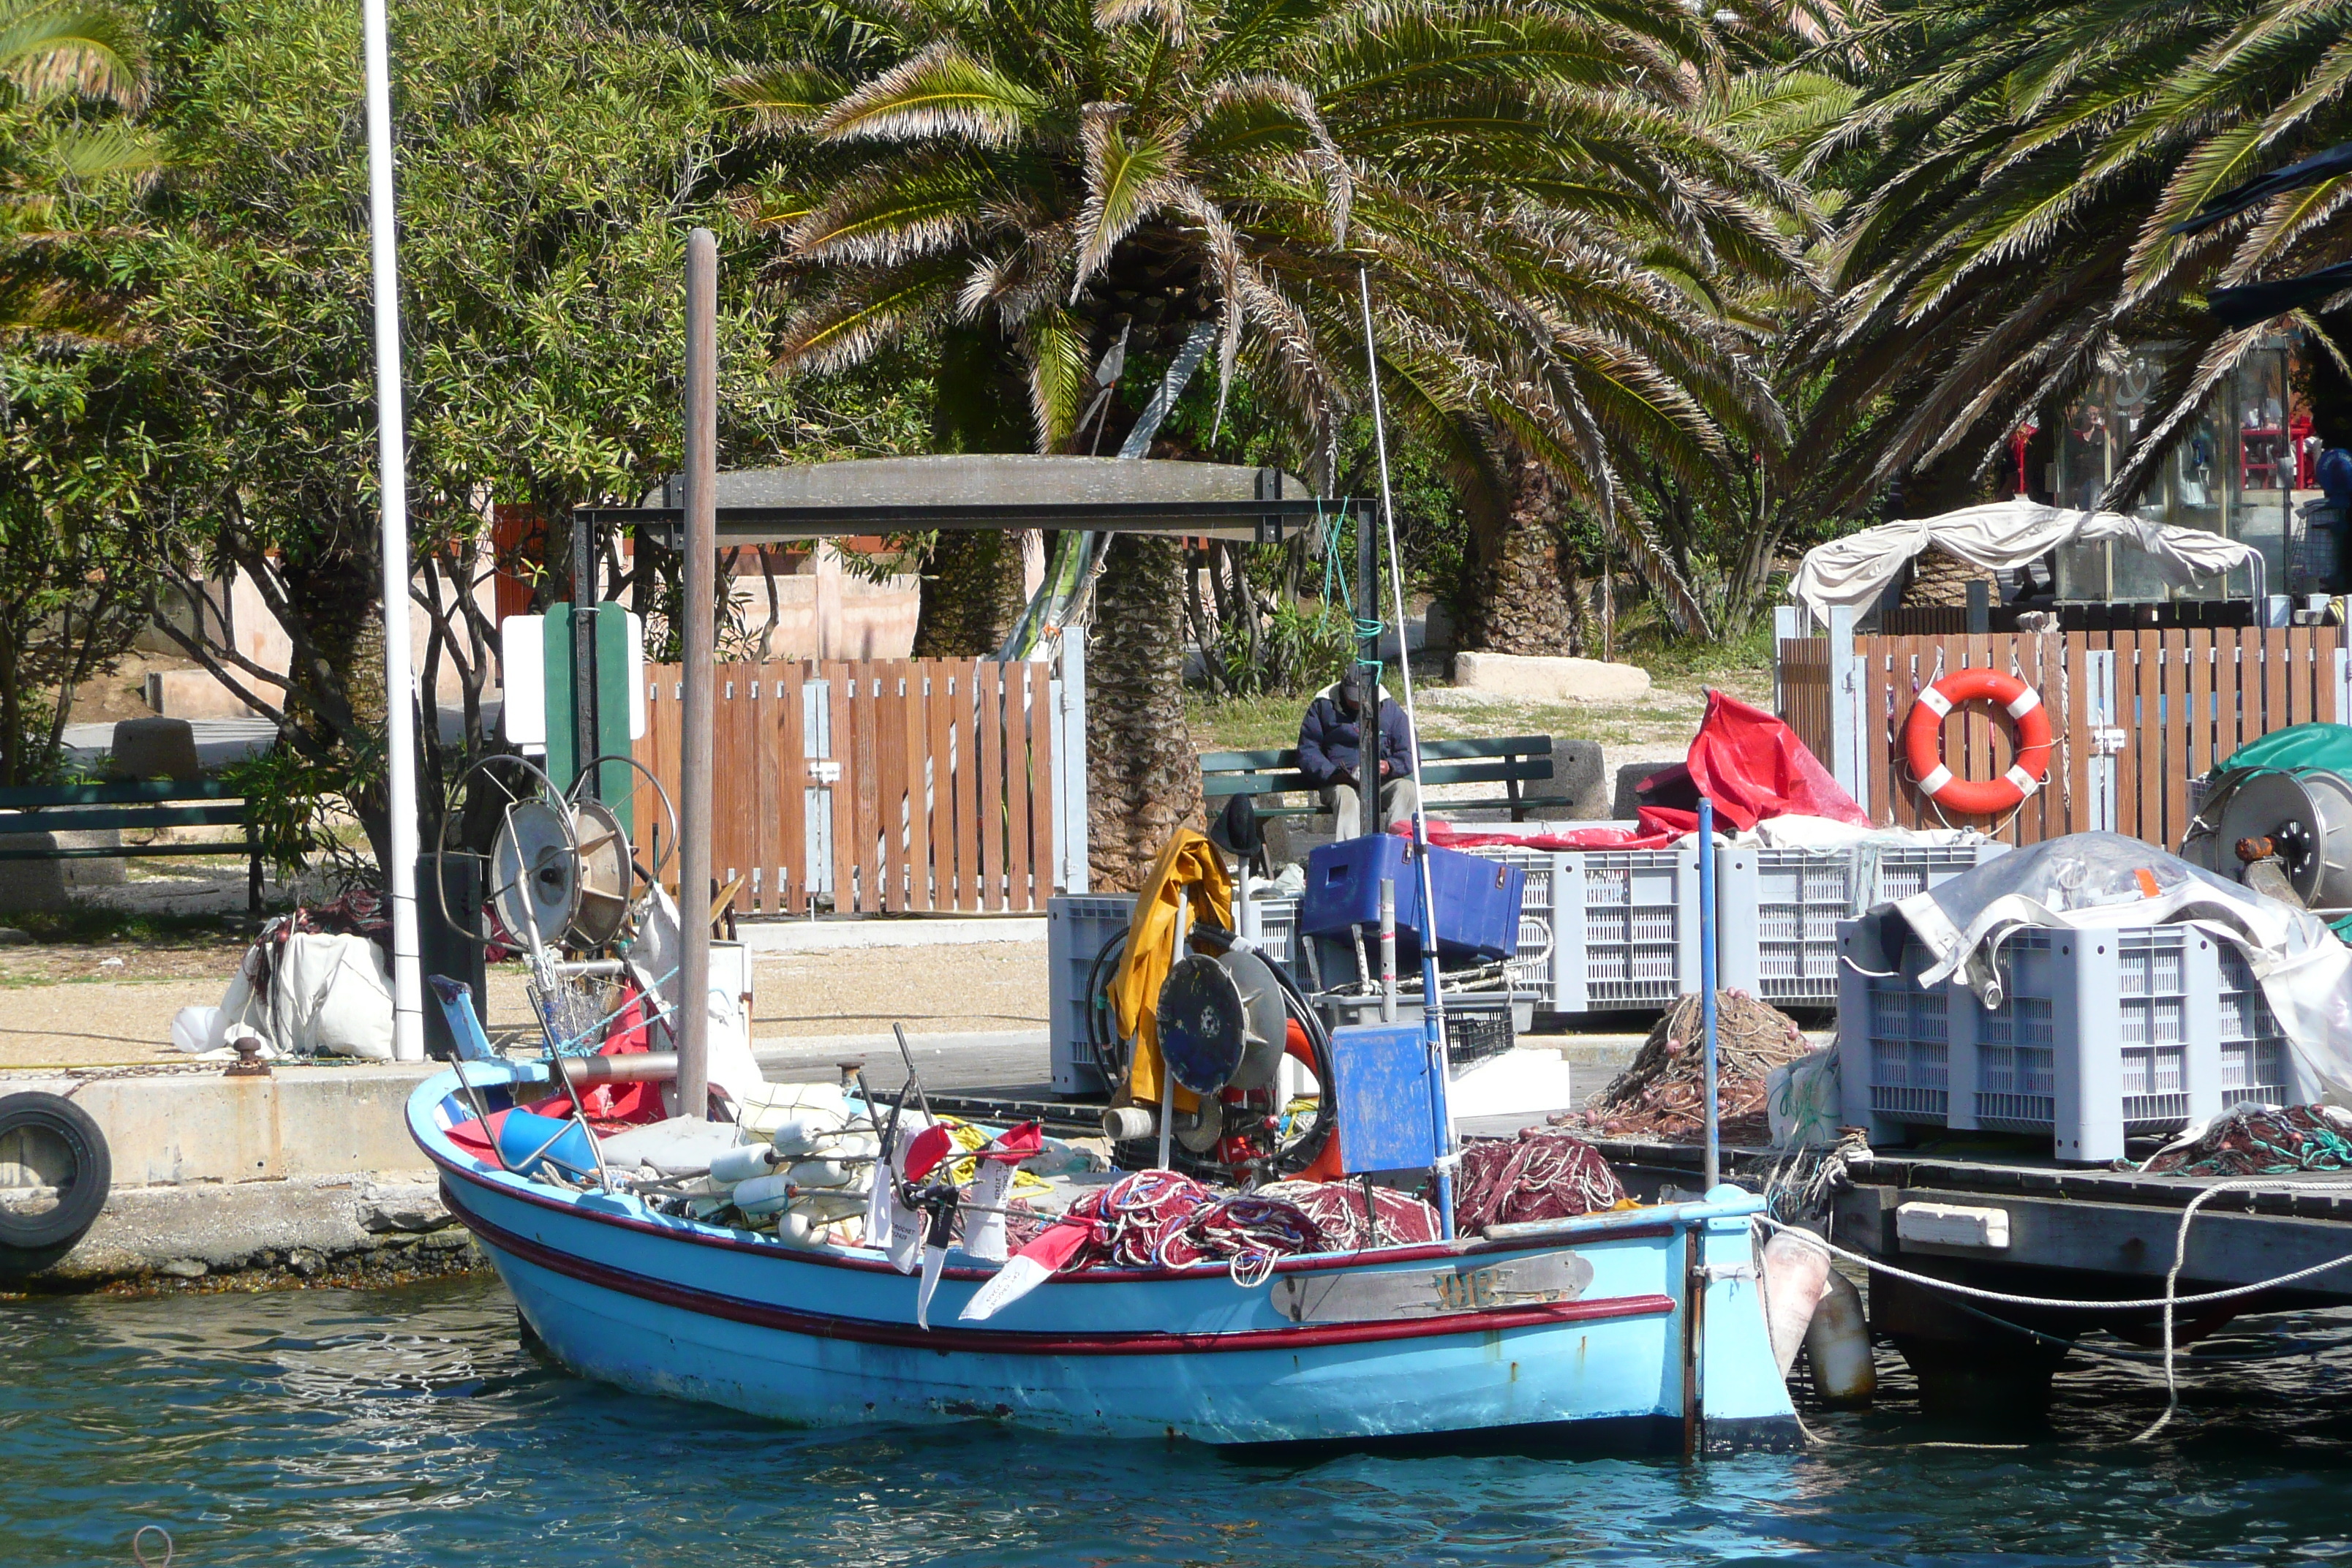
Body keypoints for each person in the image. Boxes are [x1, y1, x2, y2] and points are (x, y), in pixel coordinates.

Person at [1296, 668, 1420, 832]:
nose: (1357, 702)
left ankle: (1398, 849)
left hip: (1380, 782)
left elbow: (1410, 752)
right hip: (1339, 783)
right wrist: (1333, 773)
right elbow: (1307, 751)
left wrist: (1389, 766)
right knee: (1346, 796)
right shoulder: (1323, 705)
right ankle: (1351, 853)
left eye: (1361, 697)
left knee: (1407, 790)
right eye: (1352, 697)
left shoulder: (1388, 708)